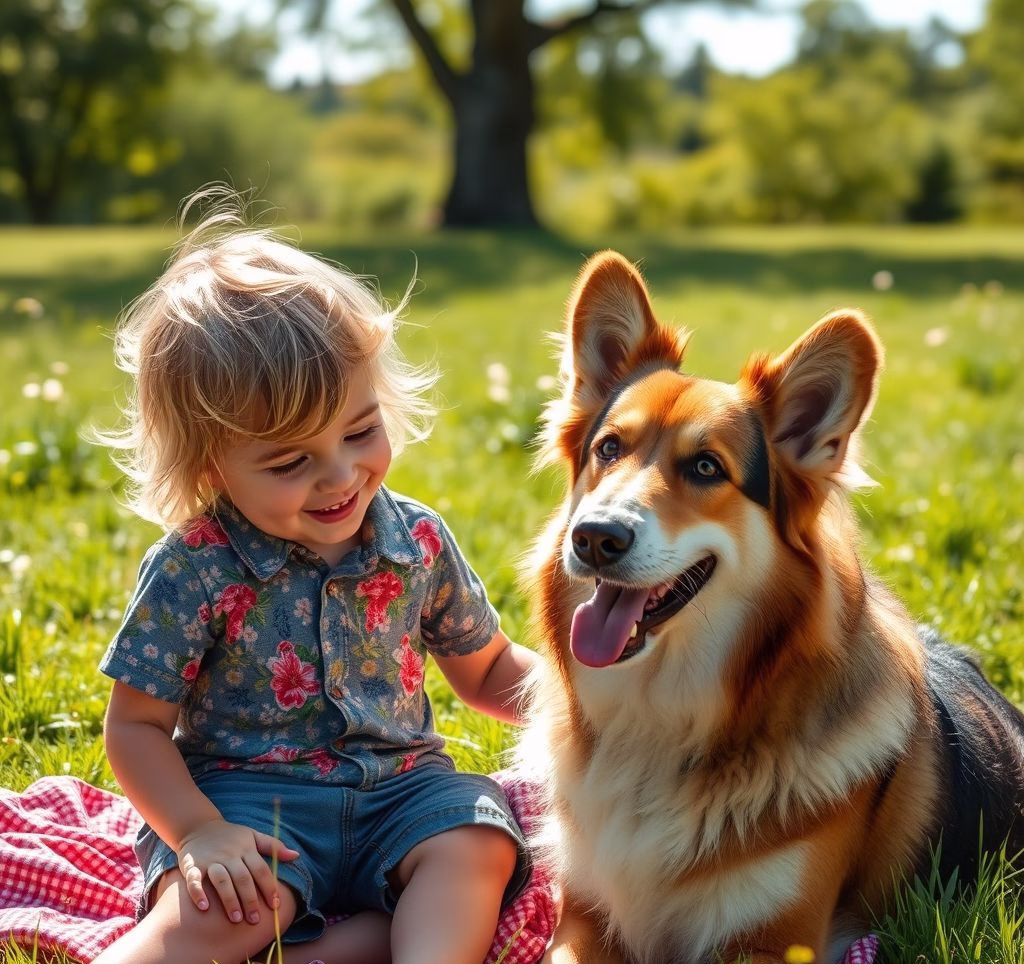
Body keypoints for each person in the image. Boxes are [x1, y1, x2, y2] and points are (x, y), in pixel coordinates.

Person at [92, 196, 538, 964]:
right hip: (247, 805)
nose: (339, 475)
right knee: (233, 903)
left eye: (361, 430)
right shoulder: (194, 566)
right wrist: (198, 831)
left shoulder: (416, 541)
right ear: (211, 465)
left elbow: (490, 667)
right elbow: (135, 727)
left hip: (402, 793)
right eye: (290, 461)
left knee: (476, 839)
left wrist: (587, 696)